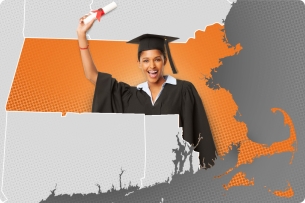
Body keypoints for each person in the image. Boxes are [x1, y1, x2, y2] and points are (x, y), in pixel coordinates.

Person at [77, 14, 217, 169]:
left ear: (165, 60)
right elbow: (92, 76)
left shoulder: (183, 90)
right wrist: (81, 35)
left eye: (157, 59)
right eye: (146, 60)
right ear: (139, 63)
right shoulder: (130, 96)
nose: (152, 66)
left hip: (176, 174)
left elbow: (198, 133)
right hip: (142, 174)